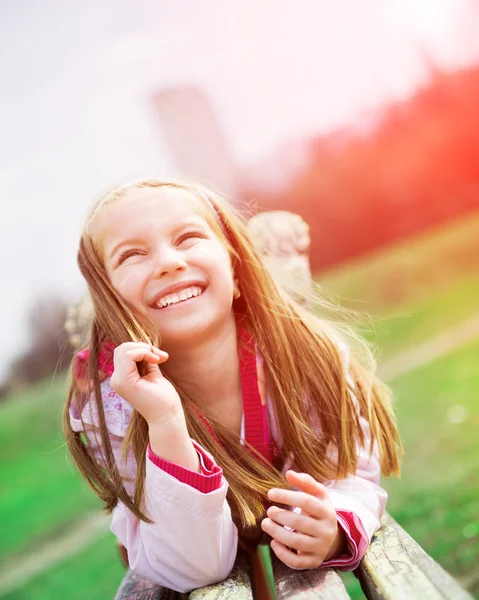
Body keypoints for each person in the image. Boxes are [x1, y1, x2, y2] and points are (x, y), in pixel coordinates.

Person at [63, 179, 402, 594]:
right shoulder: (111, 407)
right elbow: (196, 567)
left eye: (188, 237)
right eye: (132, 254)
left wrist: (333, 523)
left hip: (276, 498)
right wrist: (165, 421)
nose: (169, 262)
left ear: (236, 270)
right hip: (179, 531)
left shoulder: (307, 354)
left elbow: (350, 474)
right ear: (109, 300)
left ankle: (283, 272)